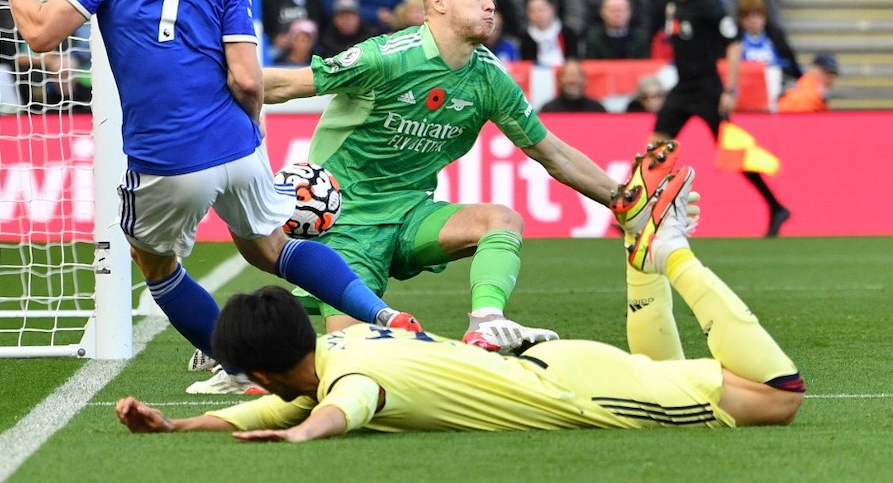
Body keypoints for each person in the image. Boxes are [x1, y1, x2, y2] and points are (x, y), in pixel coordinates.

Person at [4, 0, 420, 394]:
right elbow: (248, 78)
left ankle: (237, 364)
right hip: (238, 143)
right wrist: (254, 127)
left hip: (167, 152)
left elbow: (39, 34)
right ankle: (383, 315)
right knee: (272, 246)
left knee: (153, 263)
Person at [115, 167, 806, 439]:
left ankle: (670, 255)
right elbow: (274, 403)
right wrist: (179, 425)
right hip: (564, 368)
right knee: (665, 376)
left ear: (264, 368)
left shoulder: (348, 382)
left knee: (780, 396)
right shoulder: (340, 346)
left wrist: (300, 436)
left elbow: (335, 410)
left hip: (581, 395)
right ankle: (642, 266)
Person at [260, 0, 654, 354]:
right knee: (350, 356)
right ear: (438, 2)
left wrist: (625, 201)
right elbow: (280, 86)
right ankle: (245, 342)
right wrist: (211, 88)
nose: (489, 6)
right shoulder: (386, 57)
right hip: (348, 226)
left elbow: (556, 156)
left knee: (501, 219)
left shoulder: (490, 79)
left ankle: (487, 324)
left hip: (412, 215)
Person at [654, 0, 790, 237]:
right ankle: (637, 214)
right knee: (654, 150)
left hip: (708, 91)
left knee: (734, 155)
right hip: (683, 89)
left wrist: (730, 90)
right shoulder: (674, 5)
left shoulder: (710, 6)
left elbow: (734, 44)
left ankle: (775, 206)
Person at [540, 60, 608, 113]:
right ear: (559, 81)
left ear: (585, 80)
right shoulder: (548, 110)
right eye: (567, 76)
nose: (572, 80)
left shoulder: (597, 110)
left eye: (576, 75)